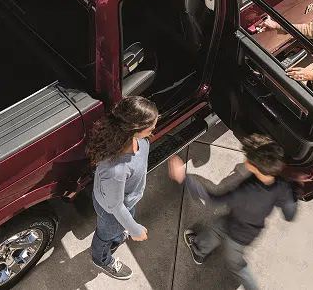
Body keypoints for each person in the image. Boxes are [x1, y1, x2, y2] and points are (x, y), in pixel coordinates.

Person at [168, 134, 297, 290]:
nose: (245, 161)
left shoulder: (244, 193)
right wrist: (295, 190)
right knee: (216, 228)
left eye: (248, 159)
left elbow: (212, 200)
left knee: (235, 263)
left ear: (255, 167)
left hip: (237, 235)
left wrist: (184, 178)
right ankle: (199, 249)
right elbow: (289, 214)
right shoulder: (283, 185)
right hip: (251, 229)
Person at [86, 96, 158, 280]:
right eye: (150, 127)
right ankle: (101, 259)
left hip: (125, 201)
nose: (153, 130)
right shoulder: (117, 169)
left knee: (119, 227)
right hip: (111, 211)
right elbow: (116, 207)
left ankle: (118, 235)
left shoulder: (140, 141)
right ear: (135, 129)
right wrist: (135, 230)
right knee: (105, 236)